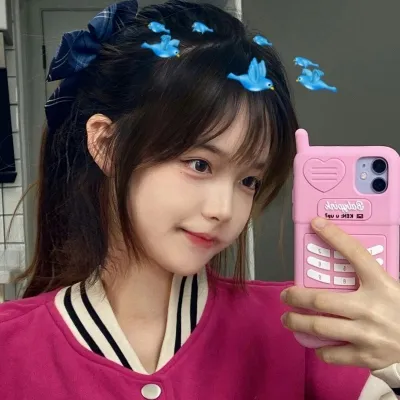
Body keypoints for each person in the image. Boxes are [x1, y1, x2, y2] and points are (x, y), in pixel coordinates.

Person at [1, 1, 400, 399]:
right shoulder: (10, 348)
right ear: (107, 145)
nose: (224, 210)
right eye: (200, 164)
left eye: (249, 181)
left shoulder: (309, 328)